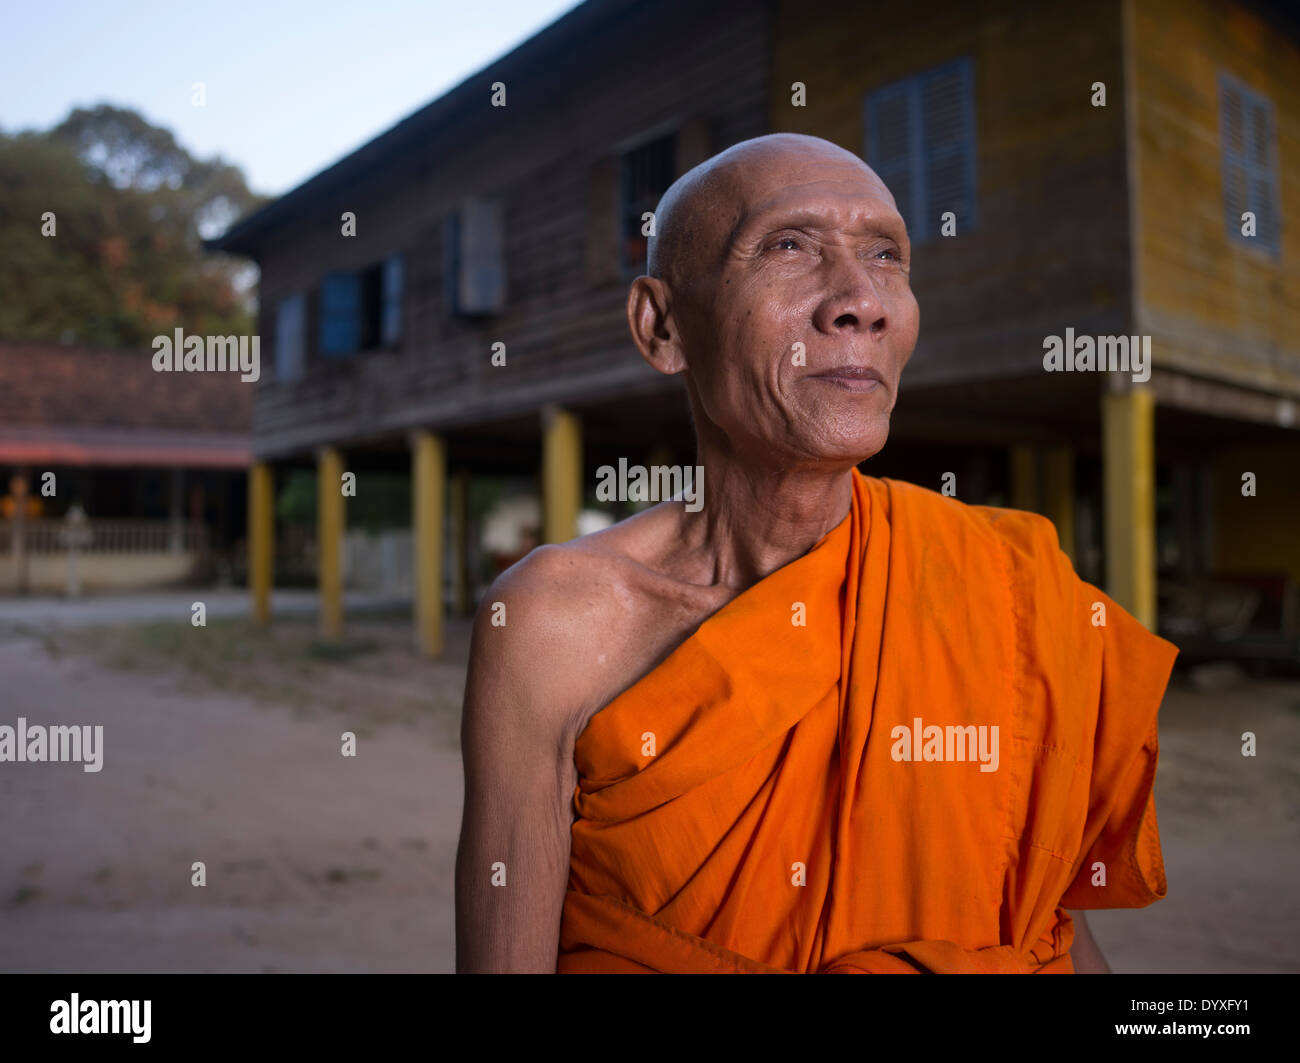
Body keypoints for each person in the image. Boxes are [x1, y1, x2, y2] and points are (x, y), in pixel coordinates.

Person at [454, 133, 1176, 974]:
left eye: (886, 255)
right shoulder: (556, 624)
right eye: (789, 246)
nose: (860, 300)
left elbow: (1047, 937)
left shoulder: (1004, 583)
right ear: (661, 326)